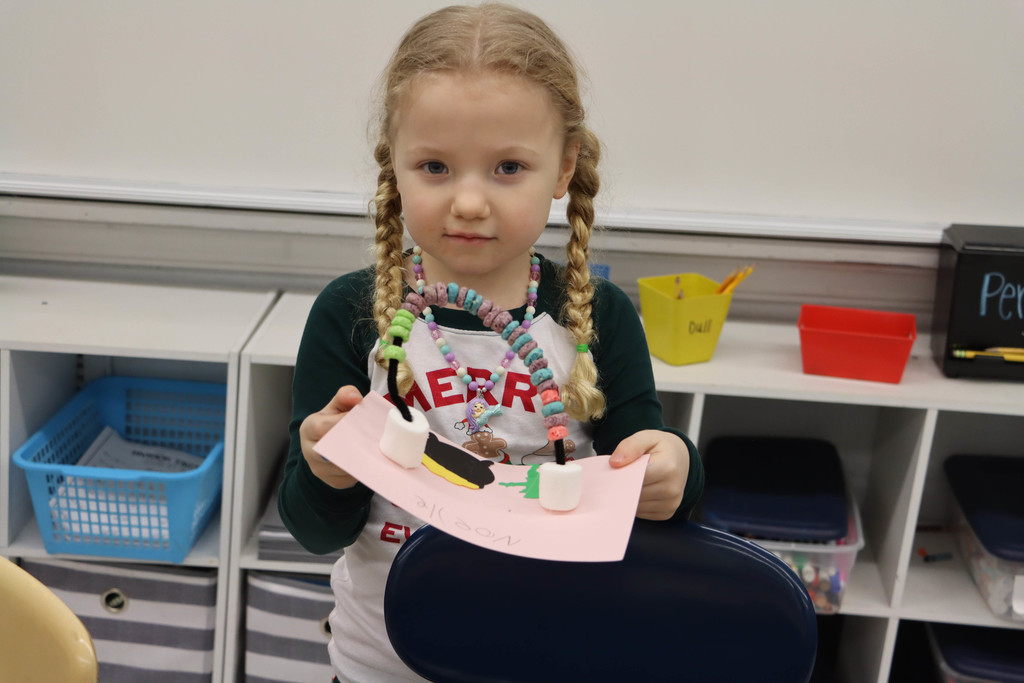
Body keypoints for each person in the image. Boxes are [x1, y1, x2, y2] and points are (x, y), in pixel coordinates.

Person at [279, 4, 705, 681]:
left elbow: (651, 493)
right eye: (435, 166)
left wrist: (675, 472)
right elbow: (312, 528)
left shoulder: (599, 317)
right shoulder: (350, 315)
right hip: (380, 666)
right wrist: (326, 470)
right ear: (395, 165)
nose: (470, 201)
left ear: (563, 170)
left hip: (551, 656)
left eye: (507, 167)